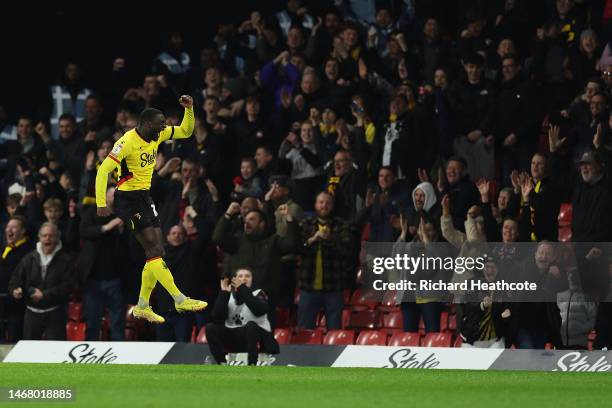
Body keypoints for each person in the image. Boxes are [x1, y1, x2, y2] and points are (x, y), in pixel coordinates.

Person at [95, 95, 207, 323]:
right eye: (159, 126)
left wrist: (189, 109)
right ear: (146, 124)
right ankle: (179, 298)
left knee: (157, 251)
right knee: (153, 249)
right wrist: (100, 202)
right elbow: (102, 171)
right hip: (127, 200)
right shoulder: (126, 143)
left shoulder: (158, 132)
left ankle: (143, 305)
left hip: (145, 197)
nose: (163, 131)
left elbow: (186, 131)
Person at [8, 223, 75, 340]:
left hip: (55, 313)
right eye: (44, 236)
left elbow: (67, 287)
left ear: (57, 238)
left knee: (56, 353)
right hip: (31, 313)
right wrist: (15, 290)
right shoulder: (29, 258)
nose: (47, 239)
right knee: (30, 353)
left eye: (51, 236)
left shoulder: (66, 260)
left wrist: (44, 295)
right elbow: (15, 280)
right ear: (39, 238)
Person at [79, 187, 128, 341]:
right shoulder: (93, 212)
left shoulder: (123, 215)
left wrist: (121, 230)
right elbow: (84, 231)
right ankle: (90, 358)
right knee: (93, 322)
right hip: (94, 279)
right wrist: (107, 227)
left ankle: (118, 358)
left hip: (115, 278)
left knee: (117, 324)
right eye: (113, 194)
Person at [298, 191, 352, 330]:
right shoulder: (305, 224)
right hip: (308, 287)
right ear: (315, 205)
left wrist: (330, 239)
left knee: (334, 332)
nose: (324, 205)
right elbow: (298, 249)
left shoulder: (341, 225)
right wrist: (312, 239)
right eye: (321, 202)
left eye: (328, 202)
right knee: (305, 331)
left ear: (332, 205)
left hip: (333, 288)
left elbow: (347, 251)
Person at [206, 267, 279, 365]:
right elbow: (217, 318)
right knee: (210, 328)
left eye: (247, 276)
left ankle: (252, 363)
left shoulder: (259, 293)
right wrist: (224, 293)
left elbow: (259, 310)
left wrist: (242, 288)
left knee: (251, 326)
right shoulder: (229, 296)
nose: (244, 279)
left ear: (252, 280)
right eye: (240, 276)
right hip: (234, 337)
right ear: (233, 280)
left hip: (256, 338)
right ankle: (221, 362)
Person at [0, 216, 34, 342]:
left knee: (15, 339)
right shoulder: (4, 247)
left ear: (23, 231)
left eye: (14, 227)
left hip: (18, 304)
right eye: (8, 227)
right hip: (2, 302)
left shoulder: (28, 251)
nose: (9, 230)